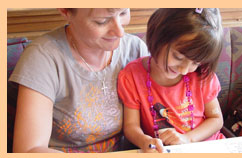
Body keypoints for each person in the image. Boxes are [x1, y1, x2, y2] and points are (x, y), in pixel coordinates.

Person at [9, 8, 149, 153]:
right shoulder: (43, 57)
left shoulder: (135, 49)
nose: (120, 32)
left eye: (123, 13)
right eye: (102, 21)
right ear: (65, 11)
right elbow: (28, 150)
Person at [117, 8, 225, 153]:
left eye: (195, 62)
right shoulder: (132, 76)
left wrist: (187, 139)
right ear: (158, 37)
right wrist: (145, 141)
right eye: (178, 57)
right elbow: (131, 126)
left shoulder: (202, 75)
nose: (184, 69)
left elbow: (216, 119)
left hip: (208, 146)